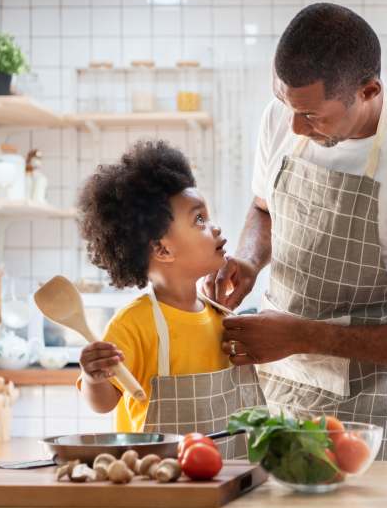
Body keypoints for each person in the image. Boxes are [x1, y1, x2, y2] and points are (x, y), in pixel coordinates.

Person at [205, 3, 387, 460]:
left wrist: (302, 336)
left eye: (312, 116)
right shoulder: (283, 117)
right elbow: (262, 208)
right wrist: (250, 259)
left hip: (366, 415)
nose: (293, 125)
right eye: (284, 103)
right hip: (276, 386)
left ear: (368, 90)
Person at [76, 140, 263, 456]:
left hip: (228, 474)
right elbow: (105, 403)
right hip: (160, 479)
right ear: (162, 249)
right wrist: (93, 378)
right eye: (199, 220)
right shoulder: (134, 323)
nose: (214, 227)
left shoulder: (221, 317)